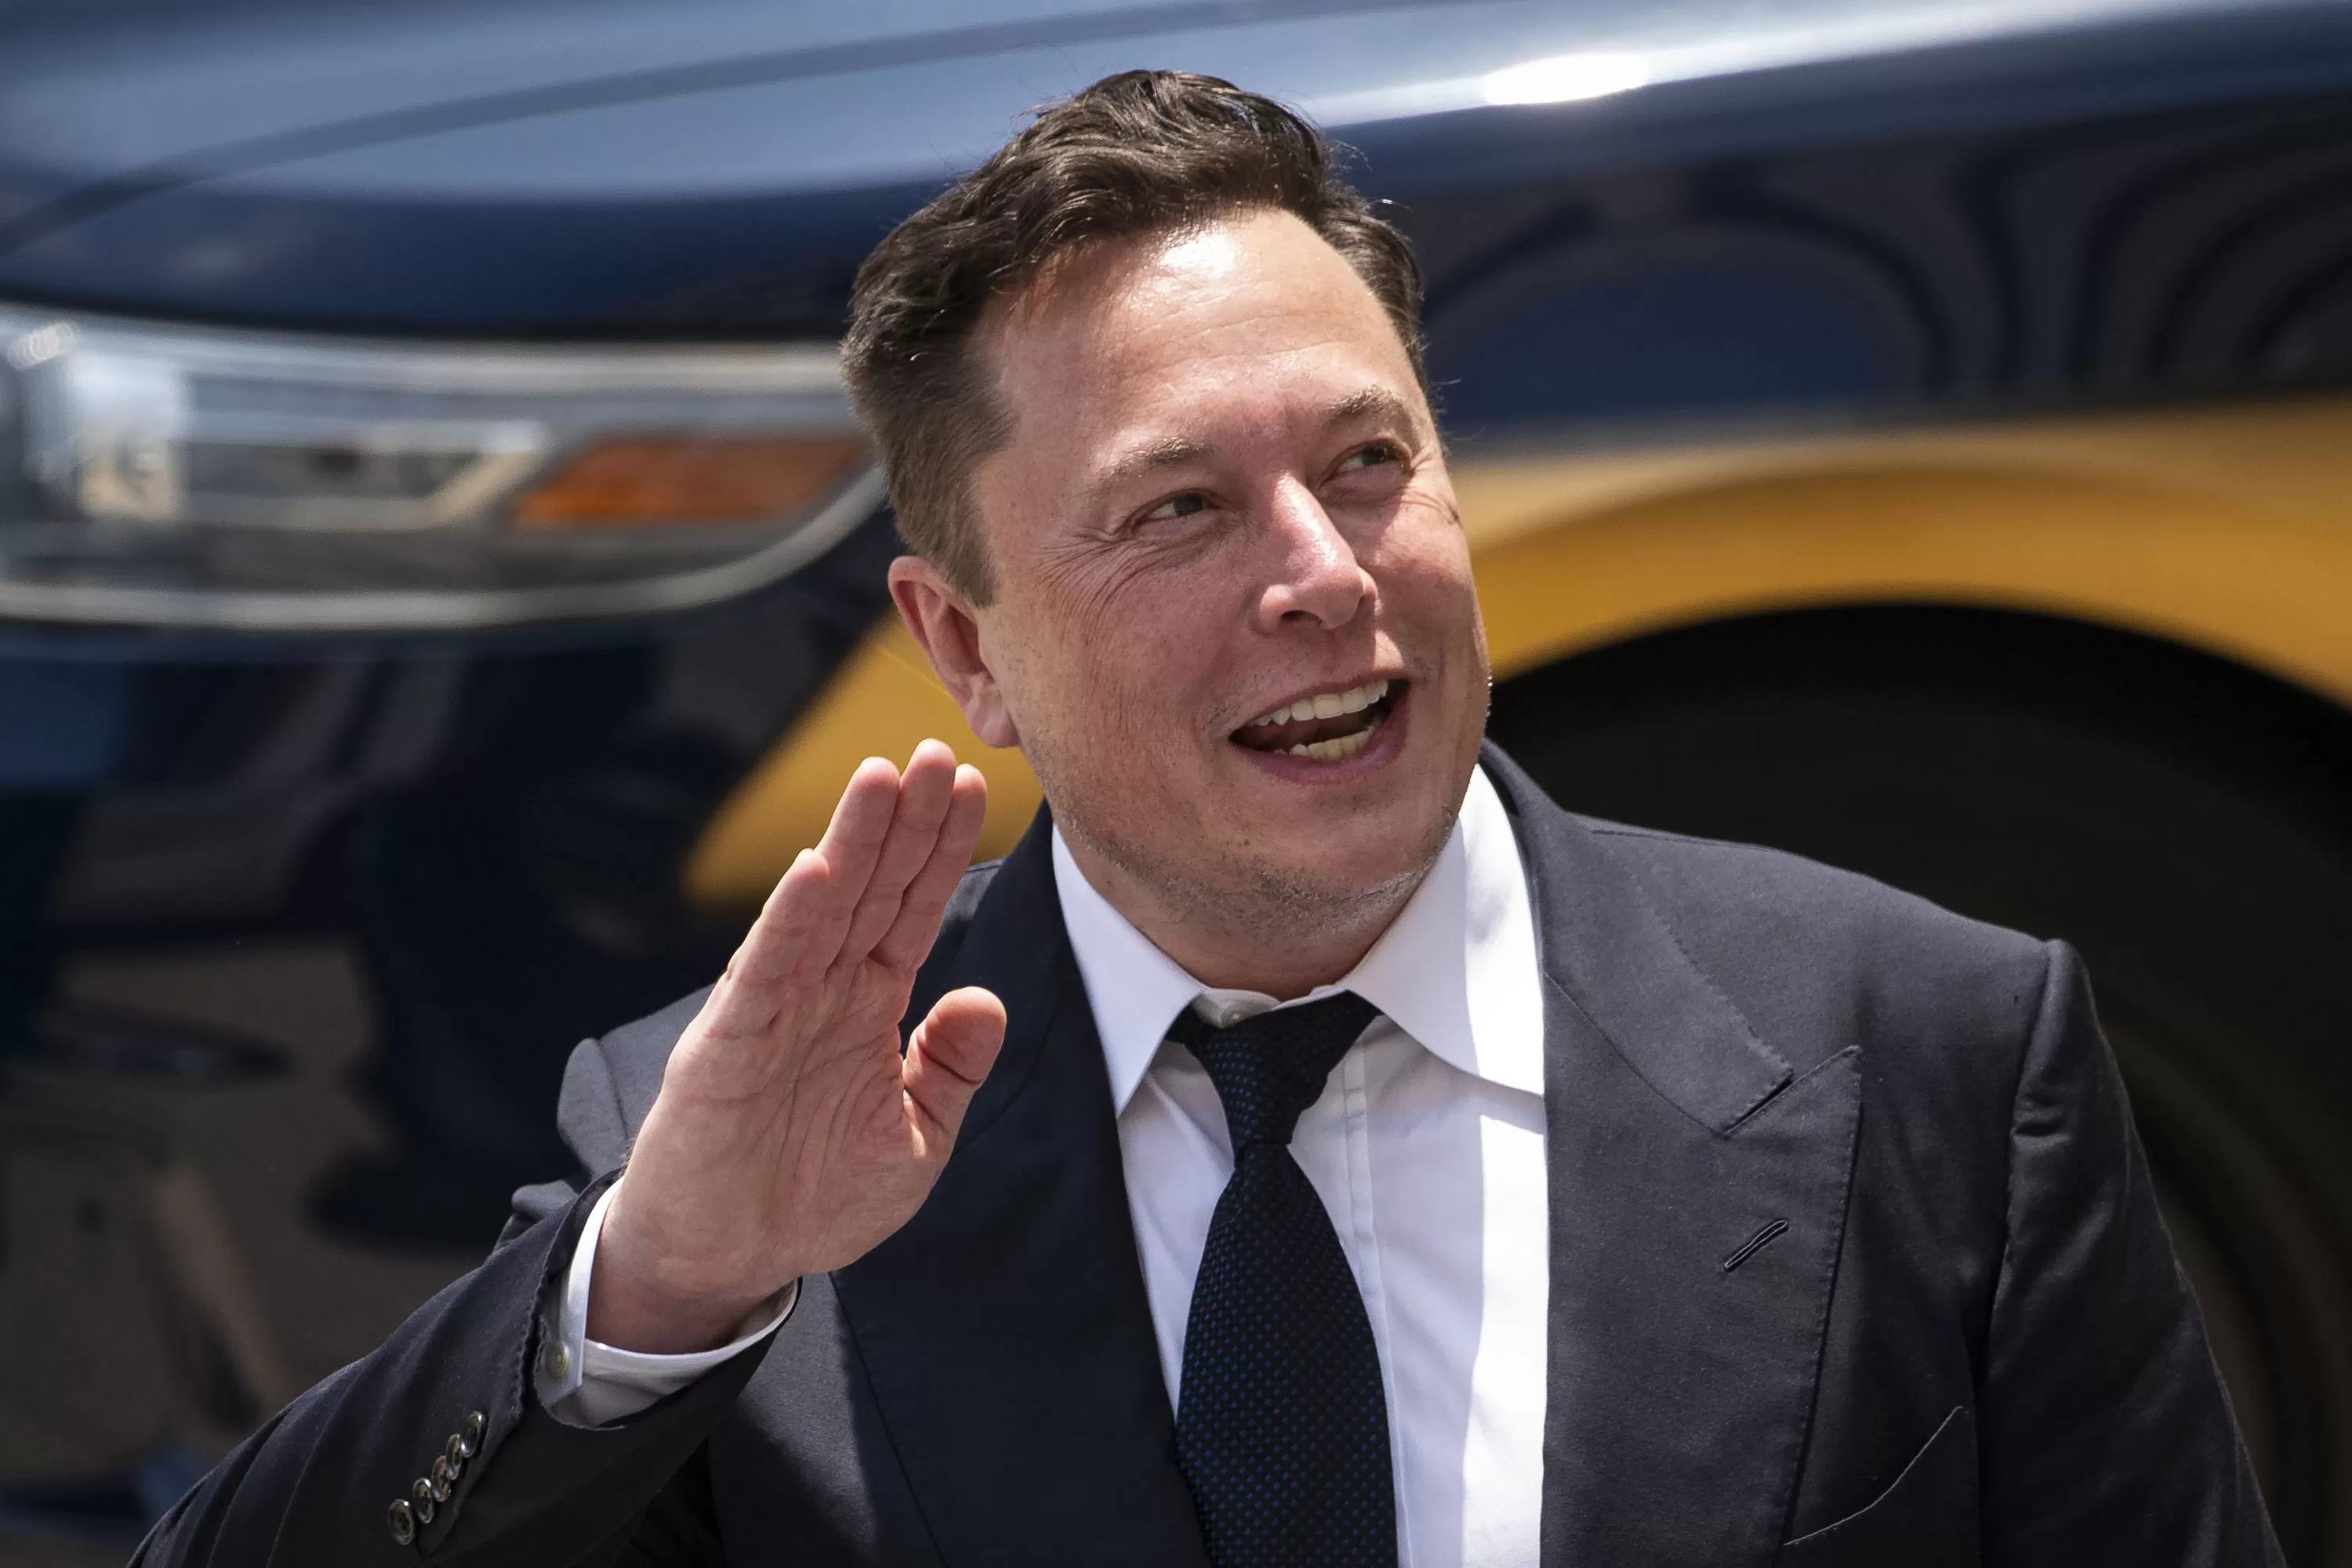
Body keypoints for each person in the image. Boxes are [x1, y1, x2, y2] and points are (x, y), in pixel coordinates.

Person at [137, 70, 2278, 1568]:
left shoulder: (1931, 1054)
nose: (1327, 575)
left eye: (1369, 463)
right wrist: (667, 1289)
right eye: (1178, 509)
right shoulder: (740, 1155)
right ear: (964, 648)